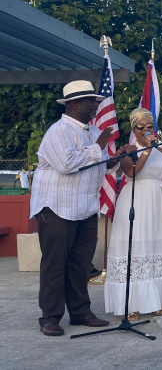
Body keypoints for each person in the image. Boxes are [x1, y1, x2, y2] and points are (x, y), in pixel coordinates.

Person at [30, 81, 119, 336]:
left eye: (95, 100)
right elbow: (67, 164)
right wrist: (99, 148)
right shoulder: (58, 131)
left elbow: (98, 164)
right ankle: (50, 317)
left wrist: (114, 159)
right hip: (57, 207)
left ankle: (80, 312)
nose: (96, 104)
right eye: (91, 100)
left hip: (85, 207)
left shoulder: (92, 133)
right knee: (55, 264)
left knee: (81, 265)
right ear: (73, 104)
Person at [104, 108, 162, 319]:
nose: (147, 130)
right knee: (135, 247)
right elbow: (132, 172)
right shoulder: (129, 149)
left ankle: (156, 299)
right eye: (142, 127)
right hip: (135, 202)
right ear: (134, 129)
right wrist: (147, 150)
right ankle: (130, 303)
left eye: (150, 127)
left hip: (157, 204)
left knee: (155, 247)